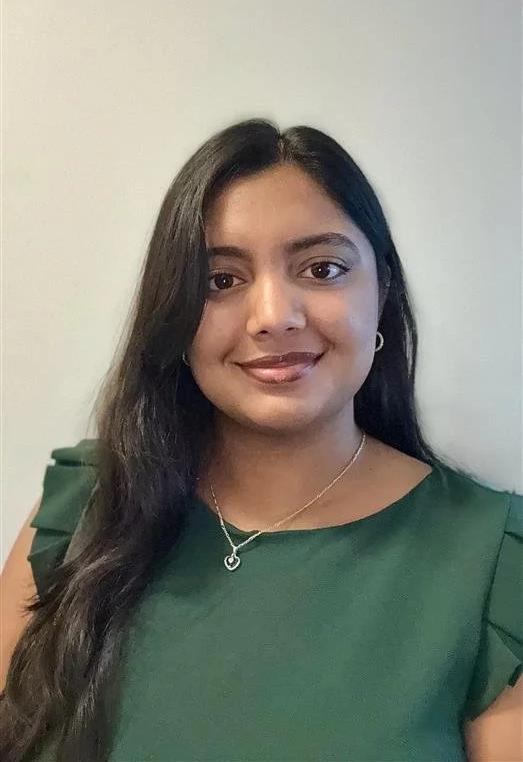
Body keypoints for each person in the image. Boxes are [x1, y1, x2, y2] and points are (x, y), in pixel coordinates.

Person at [1, 118, 522, 762]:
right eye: (220, 281)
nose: (274, 316)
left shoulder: (493, 559)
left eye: (322, 268)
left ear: (382, 291)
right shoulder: (81, 512)